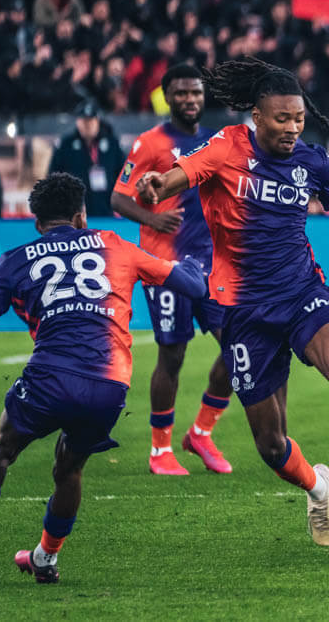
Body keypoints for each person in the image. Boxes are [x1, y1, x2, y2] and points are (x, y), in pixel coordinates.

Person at [135, 58, 329, 546]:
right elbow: (181, 174)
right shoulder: (227, 146)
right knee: (272, 446)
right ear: (257, 116)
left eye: (299, 119)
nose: (293, 128)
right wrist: (157, 185)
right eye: (282, 119)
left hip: (302, 293)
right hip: (244, 310)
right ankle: (317, 488)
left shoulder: (313, 162)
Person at [0, 173, 208, 583]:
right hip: (108, 386)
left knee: (4, 448)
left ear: (37, 222)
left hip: (48, 379)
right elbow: (193, 286)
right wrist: (194, 262)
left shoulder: (15, 260)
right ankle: (45, 557)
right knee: (69, 468)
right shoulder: (115, 245)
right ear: (81, 216)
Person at [111, 64, 233, 475]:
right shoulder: (150, 142)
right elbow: (118, 198)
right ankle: (160, 450)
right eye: (181, 93)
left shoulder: (215, 141)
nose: (190, 99)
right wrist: (151, 219)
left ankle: (201, 433)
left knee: (241, 346)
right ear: (167, 97)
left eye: (195, 92)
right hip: (165, 265)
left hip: (213, 264)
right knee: (173, 354)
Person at [48, 100, 125, 217]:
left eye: (91, 120)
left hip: (107, 209)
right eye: (84, 120)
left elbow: (125, 172)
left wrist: (121, 199)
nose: (87, 125)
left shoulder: (112, 143)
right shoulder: (66, 145)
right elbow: (53, 175)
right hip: (74, 211)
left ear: (98, 121)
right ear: (77, 122)